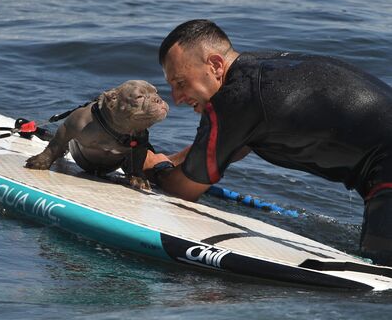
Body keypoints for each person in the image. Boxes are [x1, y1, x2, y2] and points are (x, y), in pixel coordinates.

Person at [144, 19, 392, 266]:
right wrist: (172, 160)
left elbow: (184, 190)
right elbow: (235, 145)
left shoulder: (236, 98)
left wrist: (155, 168)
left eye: (181, 83)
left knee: (383, 273)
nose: (175, 98)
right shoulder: (258, 74)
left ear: (216, 65)